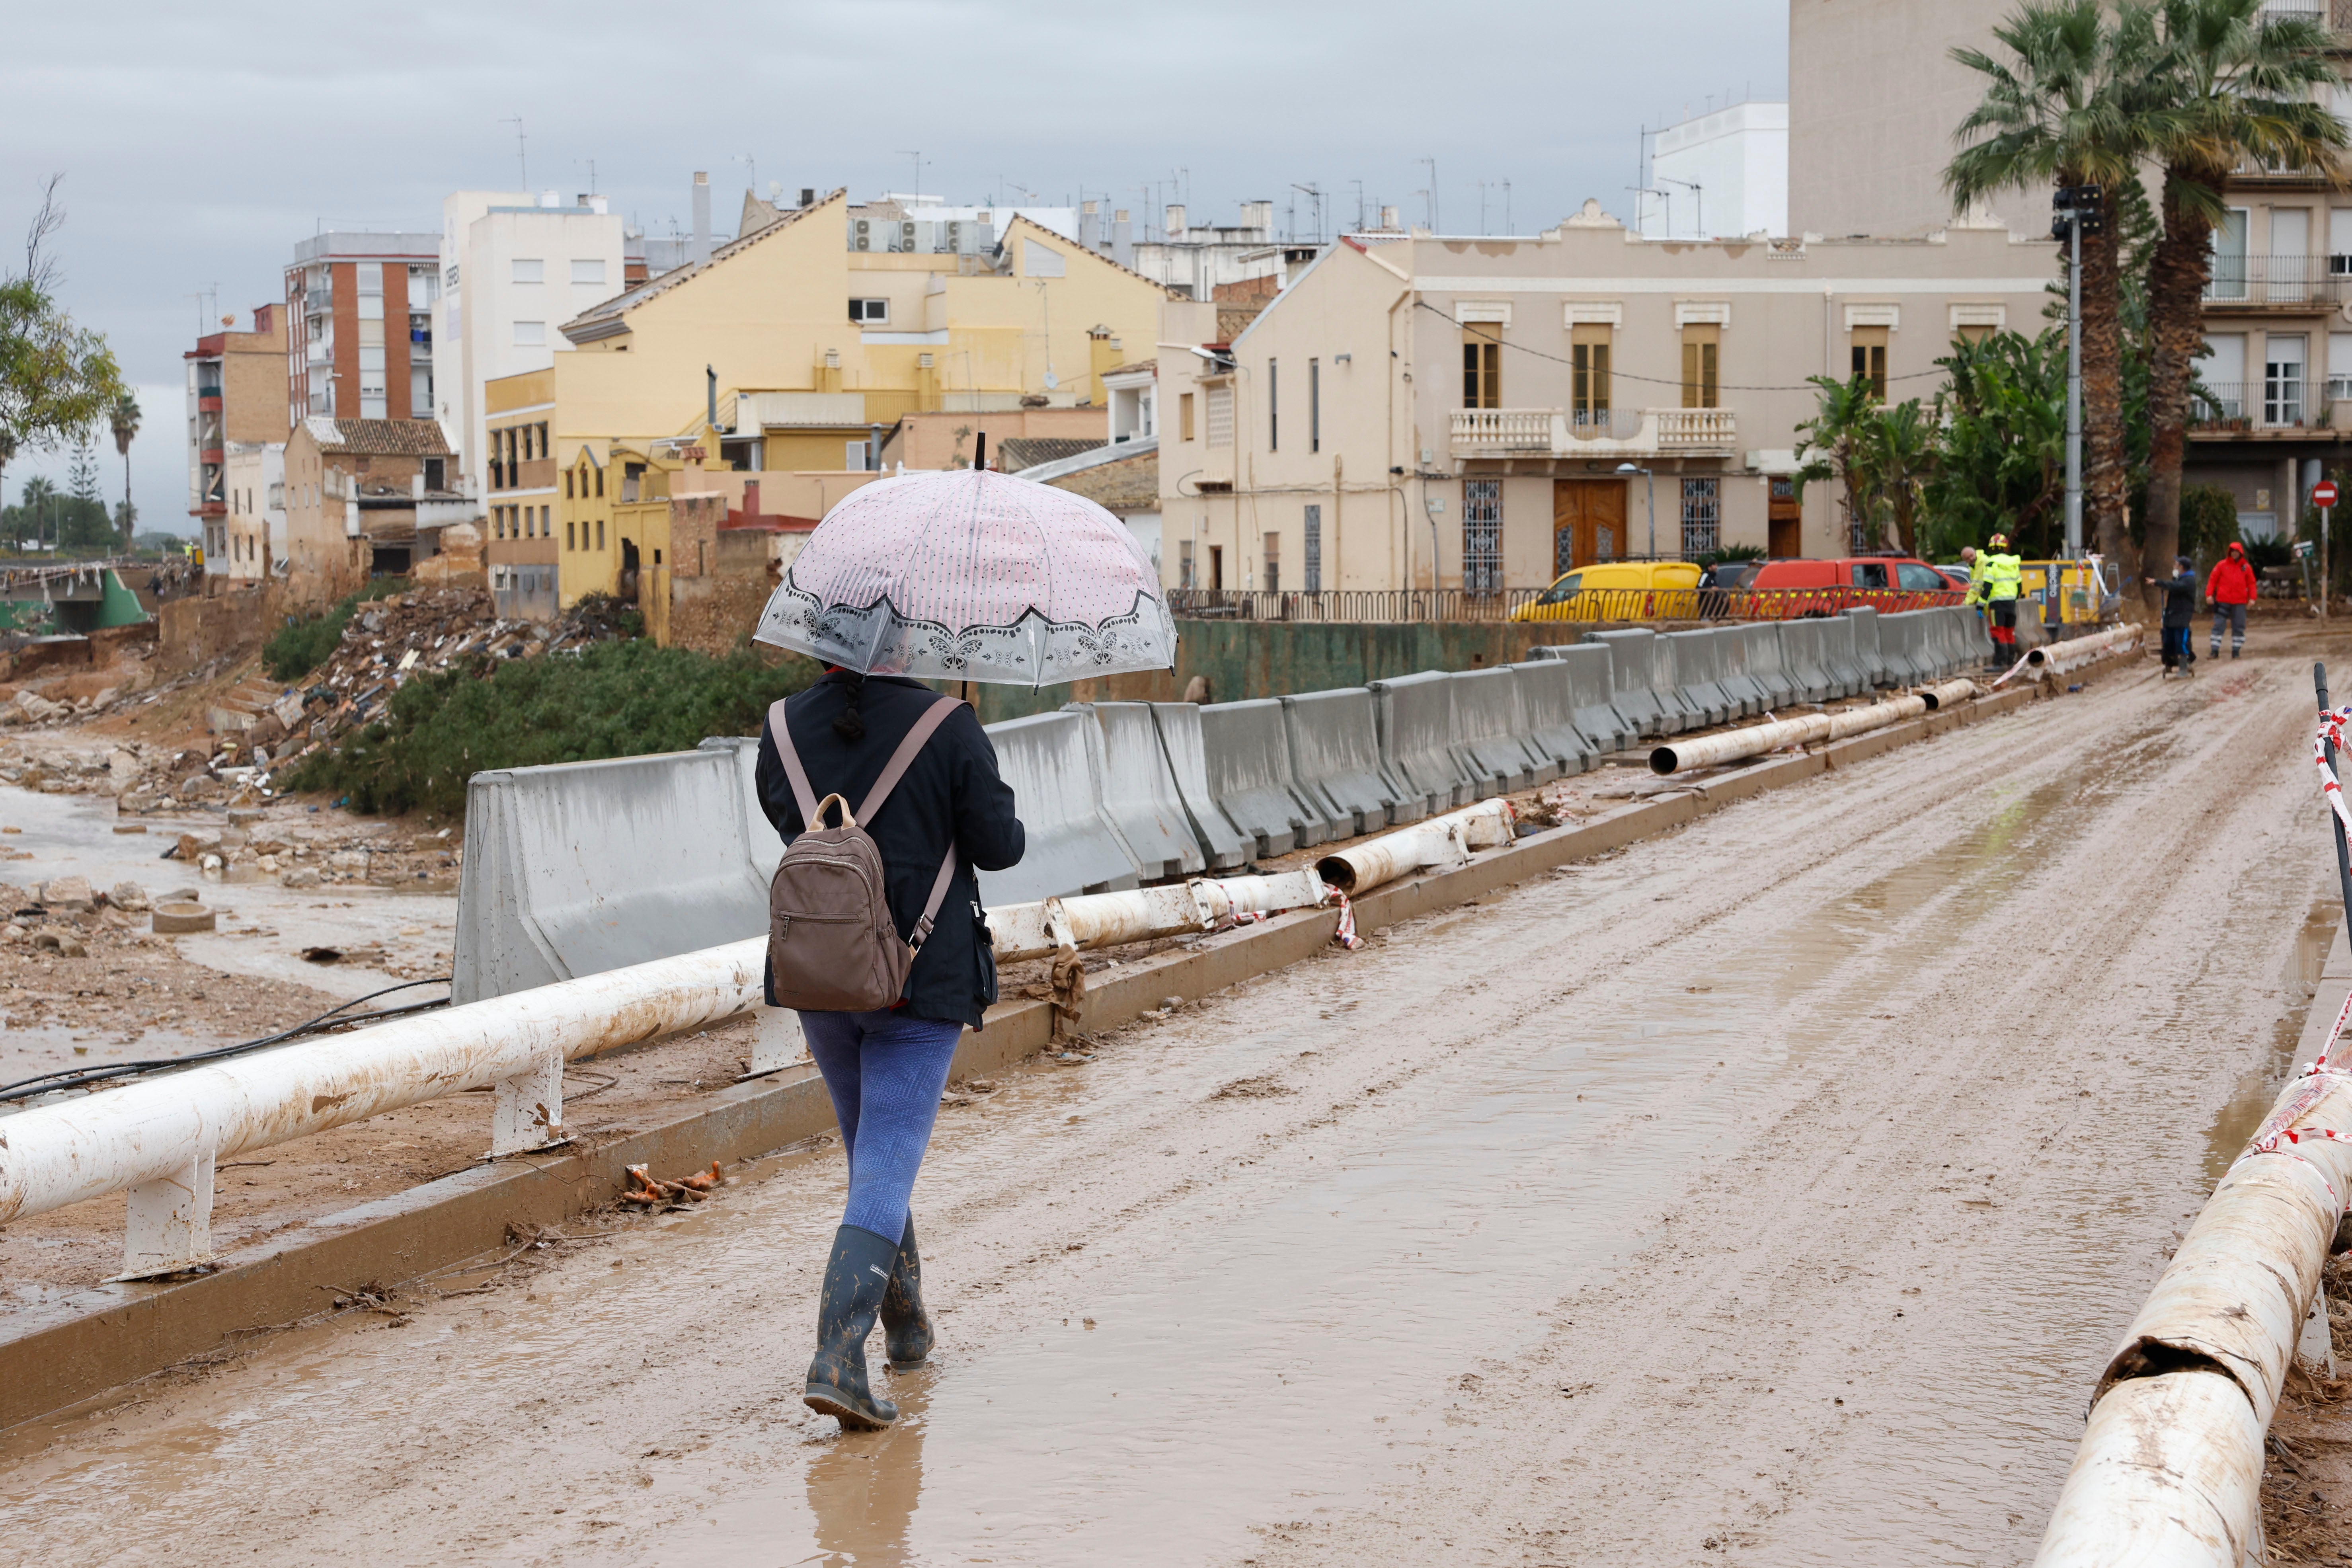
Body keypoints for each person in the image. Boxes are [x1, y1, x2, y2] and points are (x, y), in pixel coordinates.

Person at [755, 669, 1025, 1430]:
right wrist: (968, 758)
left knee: (872, 1157)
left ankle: (906, 1326)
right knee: (884, 1165)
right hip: (919, 977)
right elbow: (999, 846)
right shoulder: (949, 725)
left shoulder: (782, 727)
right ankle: (838, 1358)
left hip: (821, 974)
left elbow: (794, 824)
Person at [1977, 534, 2023, 671]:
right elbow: (2020, 586)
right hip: (2011, 603)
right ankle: (2010, 662)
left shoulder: (1992, 564)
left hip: (1997, 604)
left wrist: (1981, 604)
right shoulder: (2014, 564)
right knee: (2009, 632)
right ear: (2005, 548)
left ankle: (2000, 663)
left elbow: (1988, 586)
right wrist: (2013, 599)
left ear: (1991, 548)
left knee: (1998, 632)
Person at [2206, 539, 2258, 659]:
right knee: (2219, 625)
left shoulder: (2246, 567)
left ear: (2241, 553)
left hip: (2239, 602)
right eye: (2232, 551)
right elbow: (2213, 580)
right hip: (2223, 601)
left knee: (2239, 626)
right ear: (2230, 552)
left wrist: (2253, 598)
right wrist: (2209, 595)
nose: (2234, 553)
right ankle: (2214, 651)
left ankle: (2236, 651)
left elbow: (2251, 583)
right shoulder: (2221, 565)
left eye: (2237, 551)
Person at [2149, 556, 2199, 676]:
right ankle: (2170, 663)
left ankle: (2184, 666)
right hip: (2172, 614)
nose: (2174, 567)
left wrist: (2158, 582)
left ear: (2181, 567)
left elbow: (2175, 587)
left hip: (2182, 616)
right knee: (2168, 640)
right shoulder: (2180, 579)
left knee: (2181, 641)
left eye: (2176, 565)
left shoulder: (2189, 581)